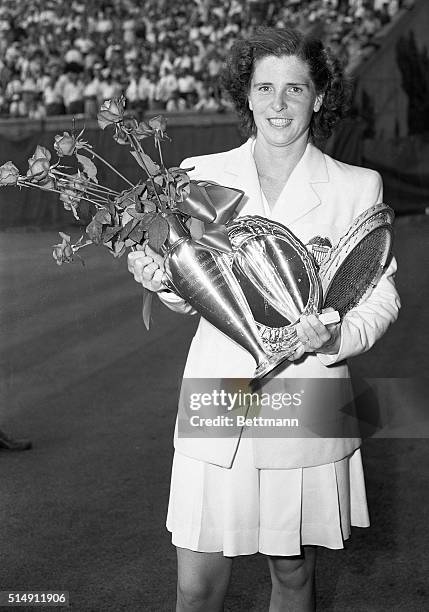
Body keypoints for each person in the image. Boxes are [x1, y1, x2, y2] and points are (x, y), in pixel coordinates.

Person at [127, 26, 400, 611]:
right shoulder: (201, 174)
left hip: (310, 391)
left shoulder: (357, 186)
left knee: (293, 572)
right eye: (265, 87)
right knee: (196, 584)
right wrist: (163, 279)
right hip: (218, 388)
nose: (279, 105)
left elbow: (381, 295)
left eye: (295, 89)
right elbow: (192, 289)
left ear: (319, 96)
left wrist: (336, 335)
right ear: (245, 95)